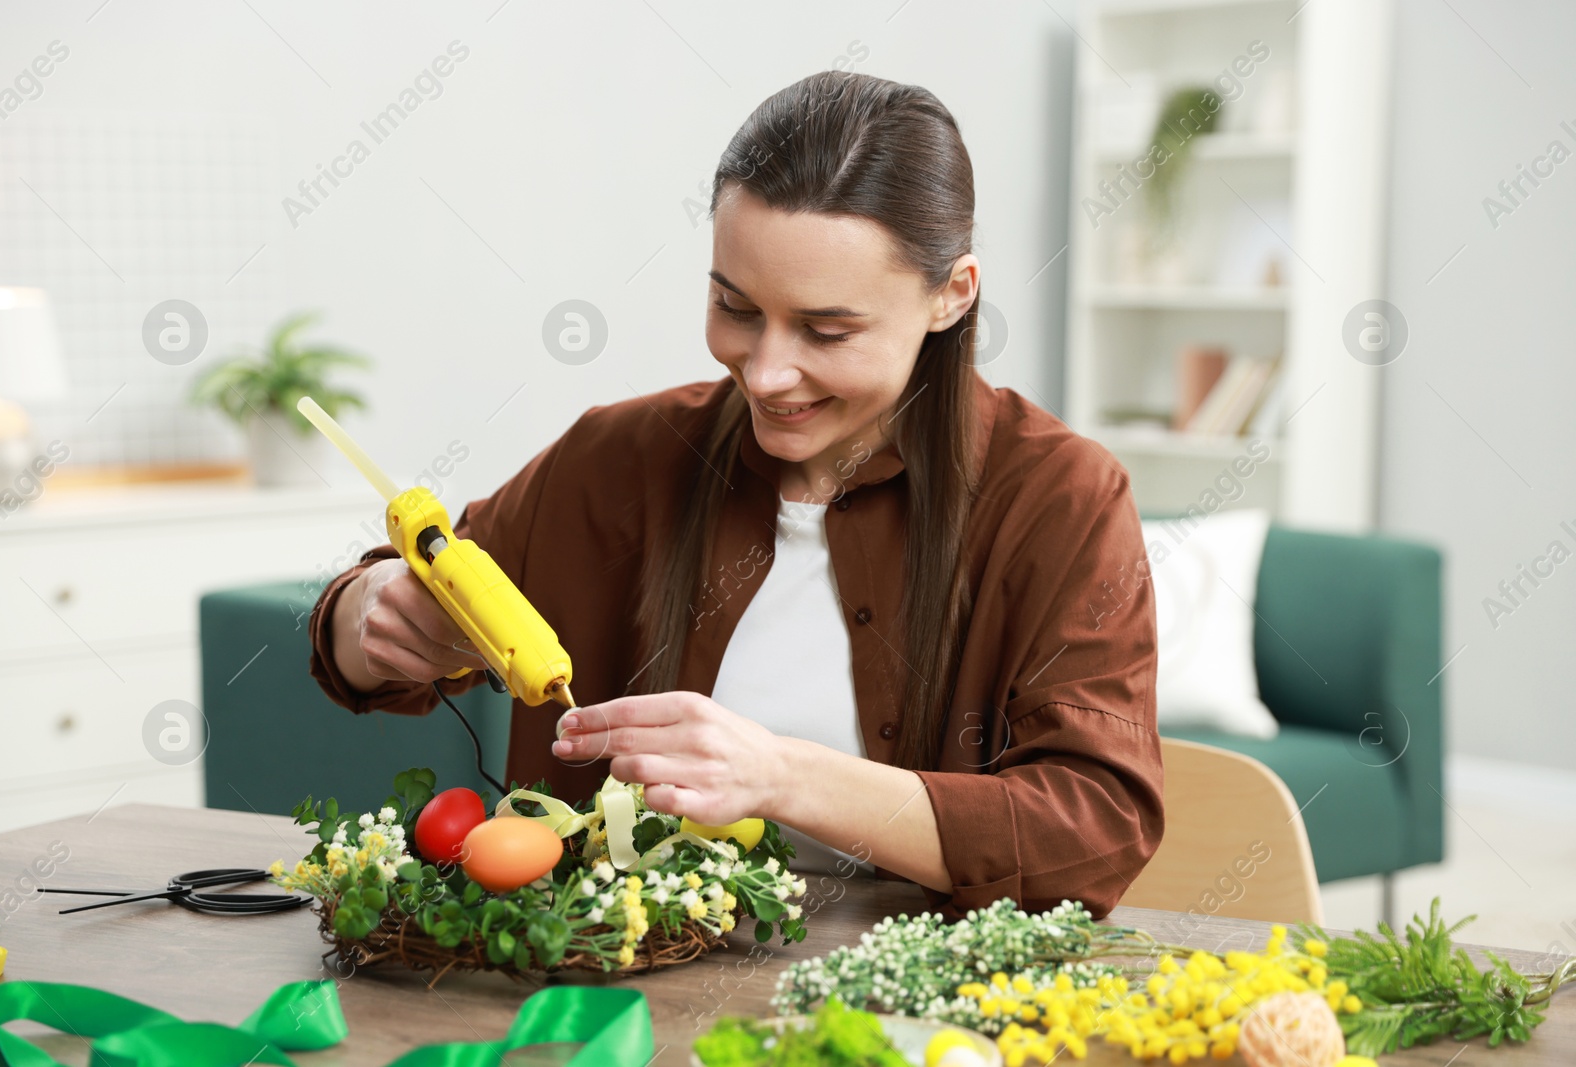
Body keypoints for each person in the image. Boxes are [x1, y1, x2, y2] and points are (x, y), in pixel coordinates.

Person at [309, 70, 1162, 920]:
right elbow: (370, 641)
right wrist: (373, 612)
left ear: (952, 293)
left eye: (827, 331)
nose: (766, 371)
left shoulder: (1061, 497)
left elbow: (1095, 826)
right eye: (735, 306)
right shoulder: (616, 457)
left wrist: (781, 775)